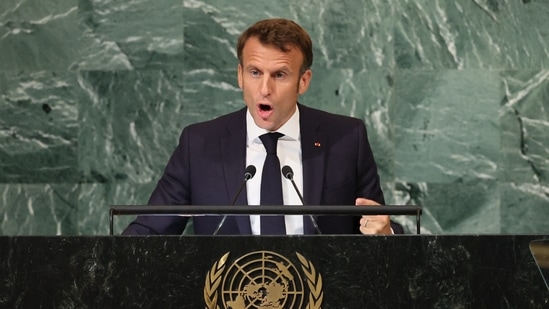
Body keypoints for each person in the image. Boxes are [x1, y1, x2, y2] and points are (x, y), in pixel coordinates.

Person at [122, 18, 404, 235]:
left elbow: (376, 224)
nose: (265, 89)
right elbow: (150, 231)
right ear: (240, 76)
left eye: (280, 75)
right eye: (255, 72)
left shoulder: (346, 139)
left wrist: (385, 232)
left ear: (303, 81)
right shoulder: (199, 144)